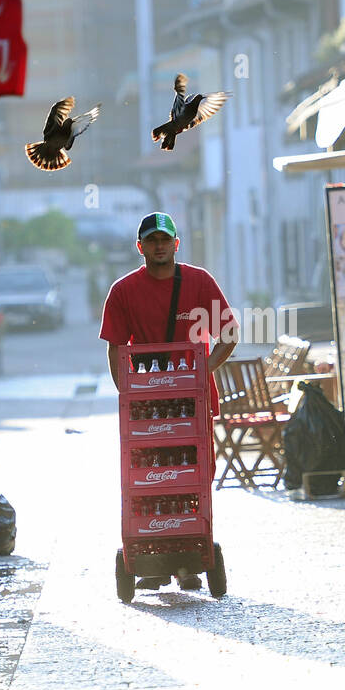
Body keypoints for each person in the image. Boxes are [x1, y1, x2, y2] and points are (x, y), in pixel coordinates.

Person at [100, 212, 237, 591]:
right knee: (147, 479)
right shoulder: (124, 290)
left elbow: (229, 334)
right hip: (147, 407)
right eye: (152, 240)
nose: (159, 246)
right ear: (140, 246)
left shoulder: (199, 282)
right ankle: (154, 560)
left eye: (166, 240)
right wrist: (125, 392)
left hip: (194, 405)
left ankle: (187, 560)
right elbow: (115, 346)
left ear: (176, 244)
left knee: (193, 479)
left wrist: (199, 373)